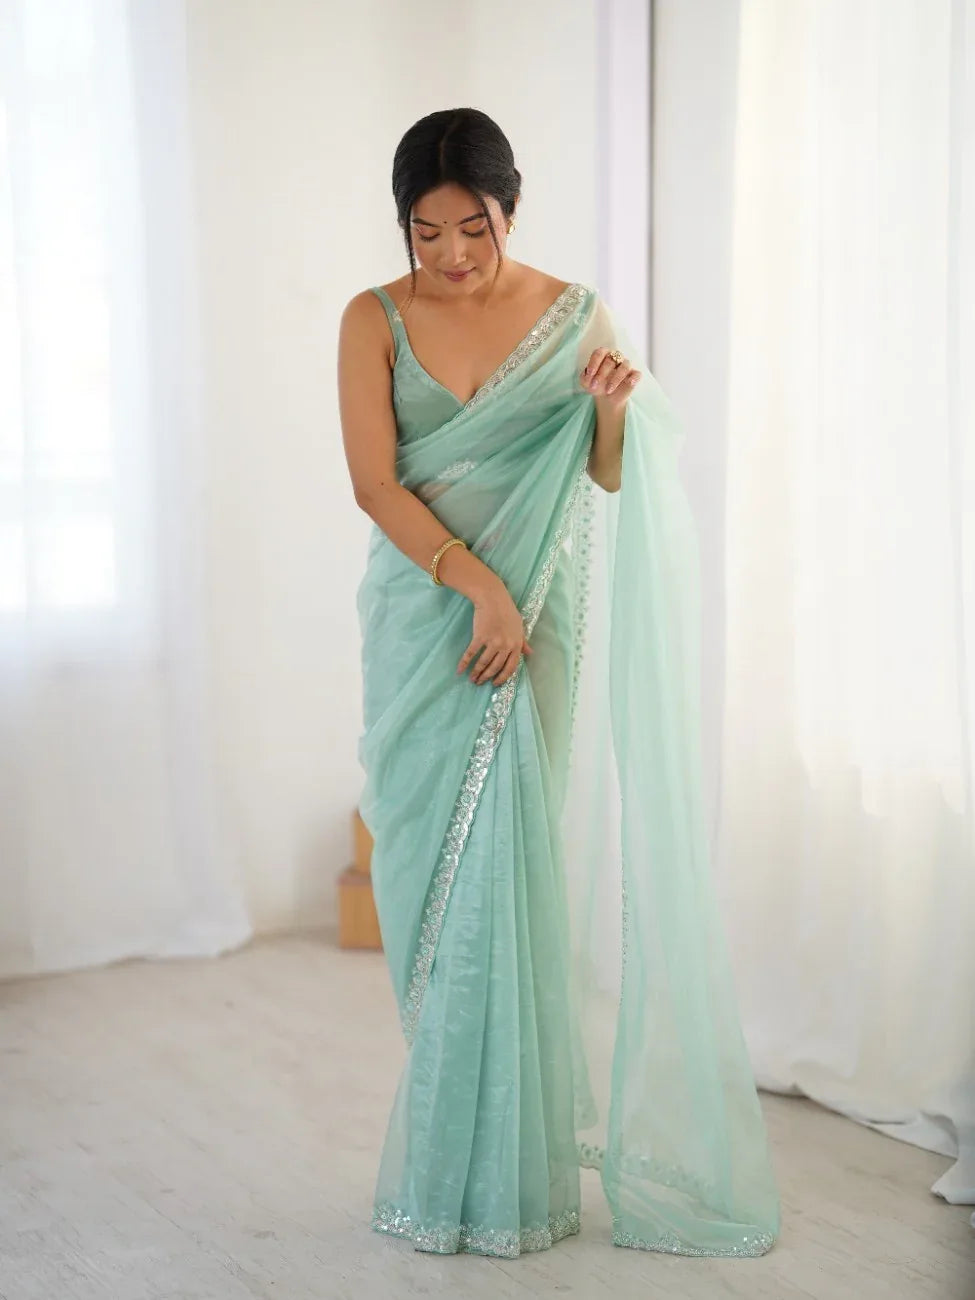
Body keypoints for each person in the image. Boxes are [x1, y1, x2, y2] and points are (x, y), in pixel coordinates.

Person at [338, 107, 780, 1260]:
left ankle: (510, 1183)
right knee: (428, 886)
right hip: (428, 621)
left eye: (472, 228)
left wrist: (614, 407)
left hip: (533, 627)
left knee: (510, 884)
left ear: (511, 206)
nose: (451, 255)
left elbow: (605, 472)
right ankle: (459, 1161)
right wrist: (472, 583)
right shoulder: (372, 319)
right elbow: (375, 485)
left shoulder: (575, 315)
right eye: (426, 232)